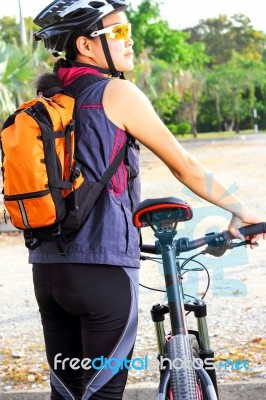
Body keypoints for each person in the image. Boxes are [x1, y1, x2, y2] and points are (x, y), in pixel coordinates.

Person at [30, 1, 265, 399]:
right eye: (119, 33)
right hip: (102, 272)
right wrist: (242, 211)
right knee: (102, 393)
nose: (130, 41)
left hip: (47, 270)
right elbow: (185, 167)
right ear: (86, 45)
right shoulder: (117, 92)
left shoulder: (50, 98)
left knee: (66, 391)